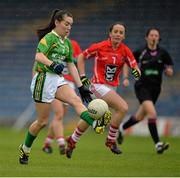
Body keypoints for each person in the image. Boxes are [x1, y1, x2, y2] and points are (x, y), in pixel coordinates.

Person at [18, 9, 110, 165]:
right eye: (66, 24)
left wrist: (81, 87)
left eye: (71, 25)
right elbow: (38, 56)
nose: (69, 27)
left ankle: (95, 123)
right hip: (43, 80)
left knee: (76, 101)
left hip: (58, 80)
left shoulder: (67, 42)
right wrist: (52, 64)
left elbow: (71, 65)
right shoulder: (49, 38)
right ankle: (25, 148)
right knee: (42, 122)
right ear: (57, 22)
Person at [65, 22, 141, 158]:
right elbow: (82, 56)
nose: (118, 34)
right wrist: (82, 76)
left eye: (121, 32)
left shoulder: (125, 50)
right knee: (123, 107)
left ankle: (72, 140)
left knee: (93, 115)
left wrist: (136, 73)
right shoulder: (100, 46)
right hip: (98, 86)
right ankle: (111, 140)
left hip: (111, 88)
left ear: (124, 36)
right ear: (110, 33)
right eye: (116, 31)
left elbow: (134, 67)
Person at [117, 27, 174, 154]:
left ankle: (121, 128)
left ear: (159, 38)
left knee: (140, 116)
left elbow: (169, 68)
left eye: (156, 35)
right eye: (152, 35)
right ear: (147, 37)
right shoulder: (140, 52)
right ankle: (158, 144)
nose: (154, 37)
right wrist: (126, 77)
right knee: (152, 114)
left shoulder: (163, 53)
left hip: (156, 89)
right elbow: (127, 62)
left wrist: (169, 71)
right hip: (142, 86)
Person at [42, 39, 82, 155]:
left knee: (60, 116)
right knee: (58, 114)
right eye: (65, 24)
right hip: (54, 81)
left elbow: (79, 59)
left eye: (69, 25)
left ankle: (47, 143)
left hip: (69, 83)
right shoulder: (51, 42)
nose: (67, 29)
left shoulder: (73, 44)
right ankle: (61, 143)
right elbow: (41, 59)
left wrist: (73, 61)